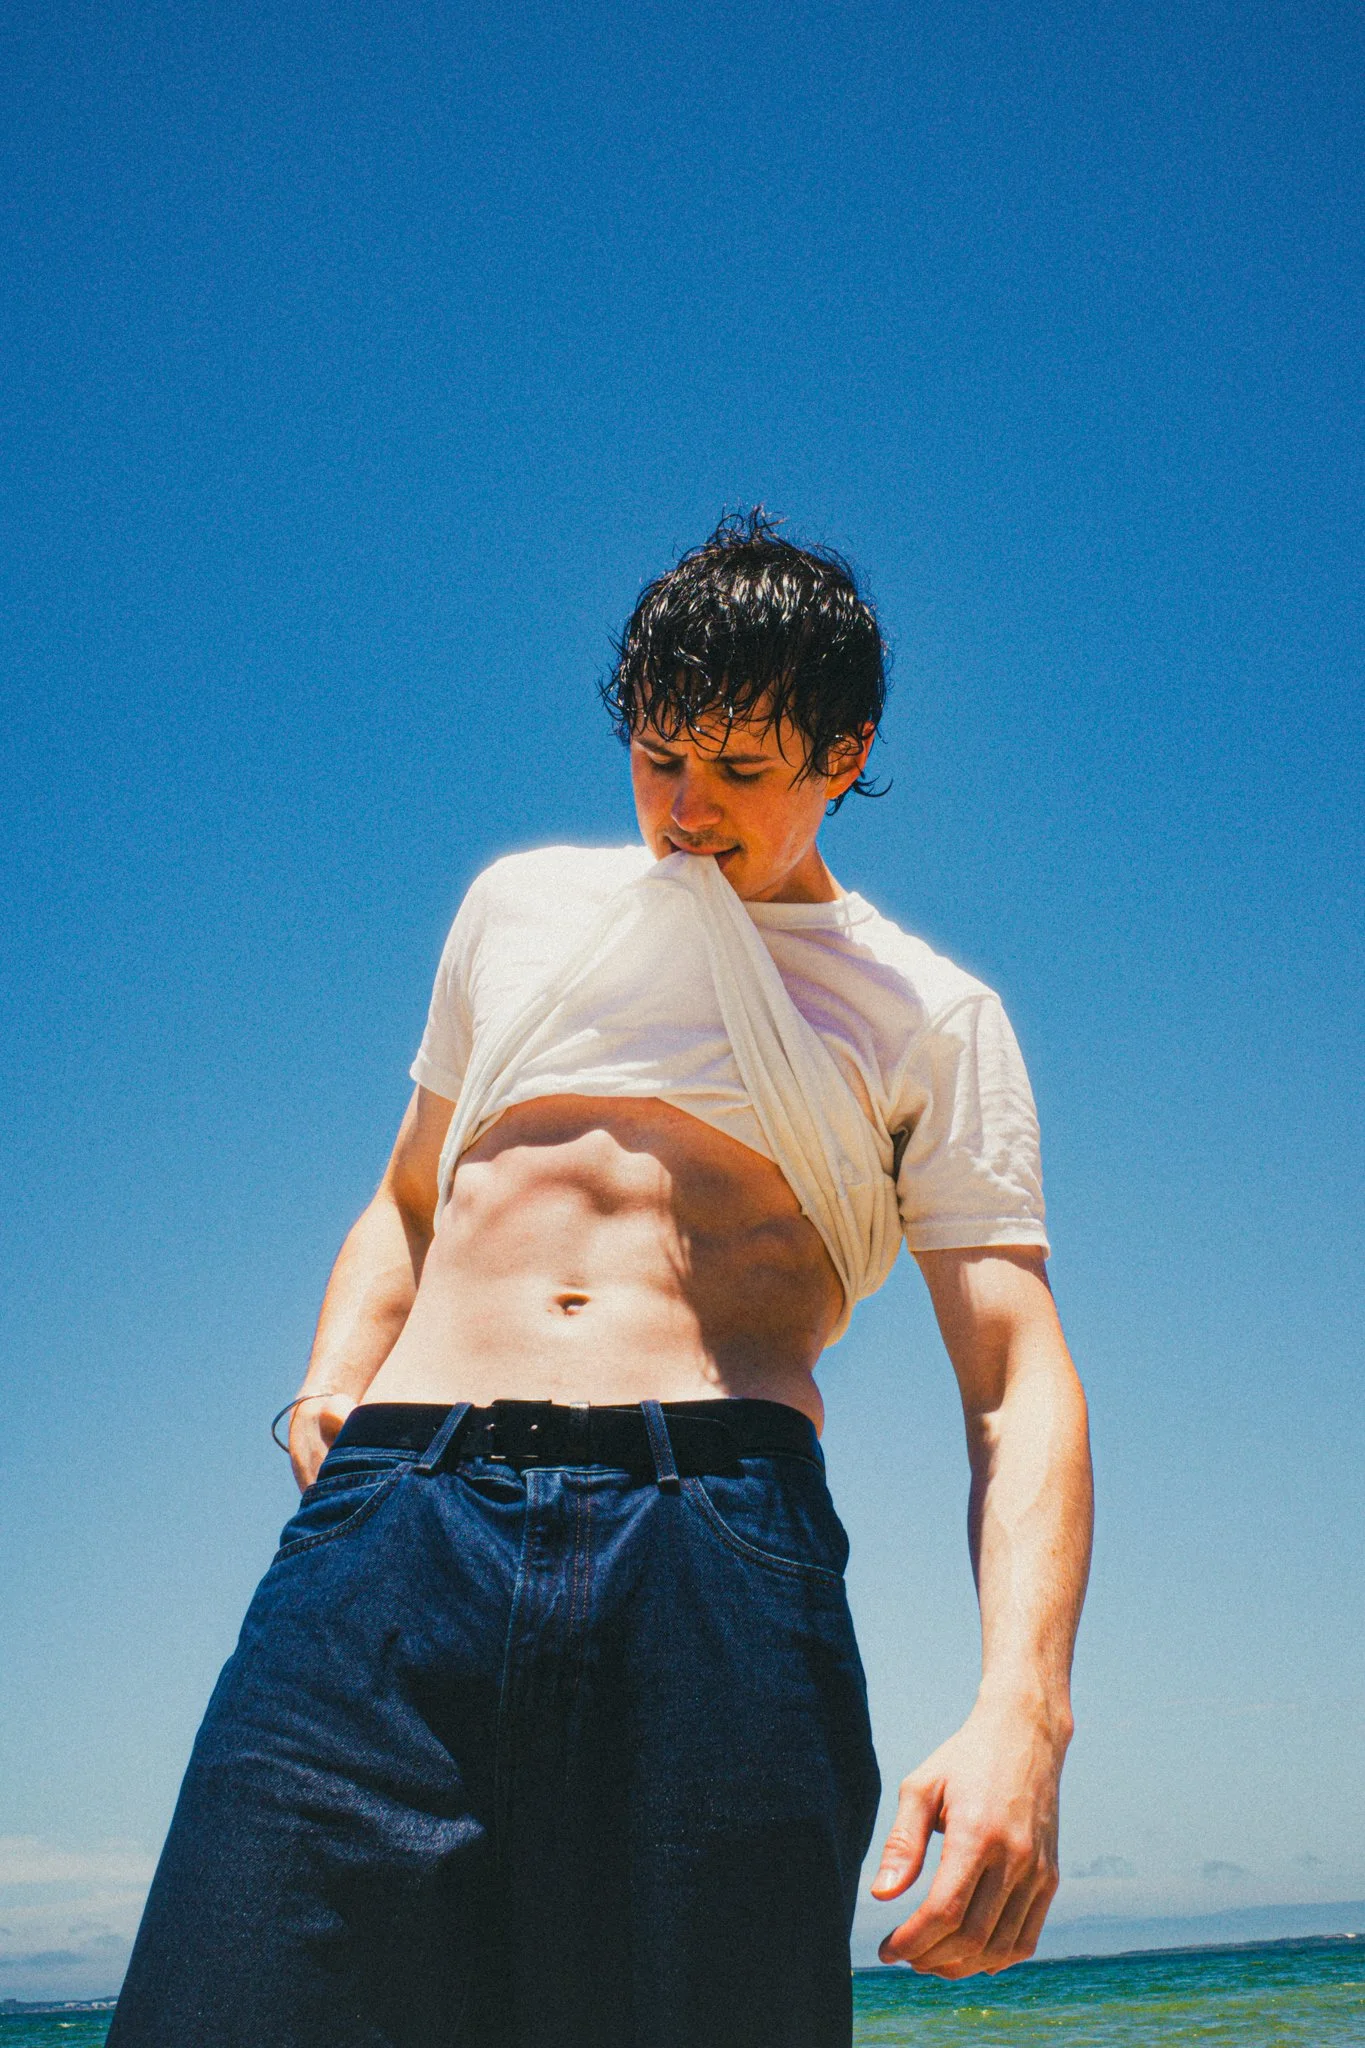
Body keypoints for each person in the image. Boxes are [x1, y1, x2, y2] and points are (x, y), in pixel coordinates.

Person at [109, 512, 1093, 2048]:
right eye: (657, 759)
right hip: (392, 1527)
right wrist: (328, 1390)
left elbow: (1017, 1379)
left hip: (712, 1549)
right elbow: (409, 1197)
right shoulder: (519, 909)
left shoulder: (930, 1017)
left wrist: (1023, 1712)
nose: (685, 812)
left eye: (742, 772)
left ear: (846, 753)